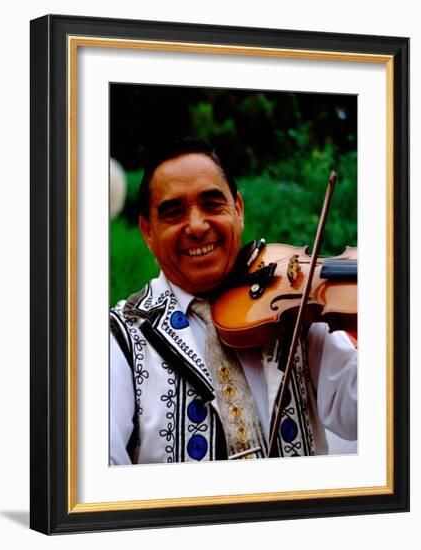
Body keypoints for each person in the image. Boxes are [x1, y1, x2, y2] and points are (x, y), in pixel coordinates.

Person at [110, 138, 357, 465]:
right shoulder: (120, 338)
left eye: (213, 204)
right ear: (147, 231)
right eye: (173, 213)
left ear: (238, 210)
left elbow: (360, 410)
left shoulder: (292, 306)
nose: (197, 226)